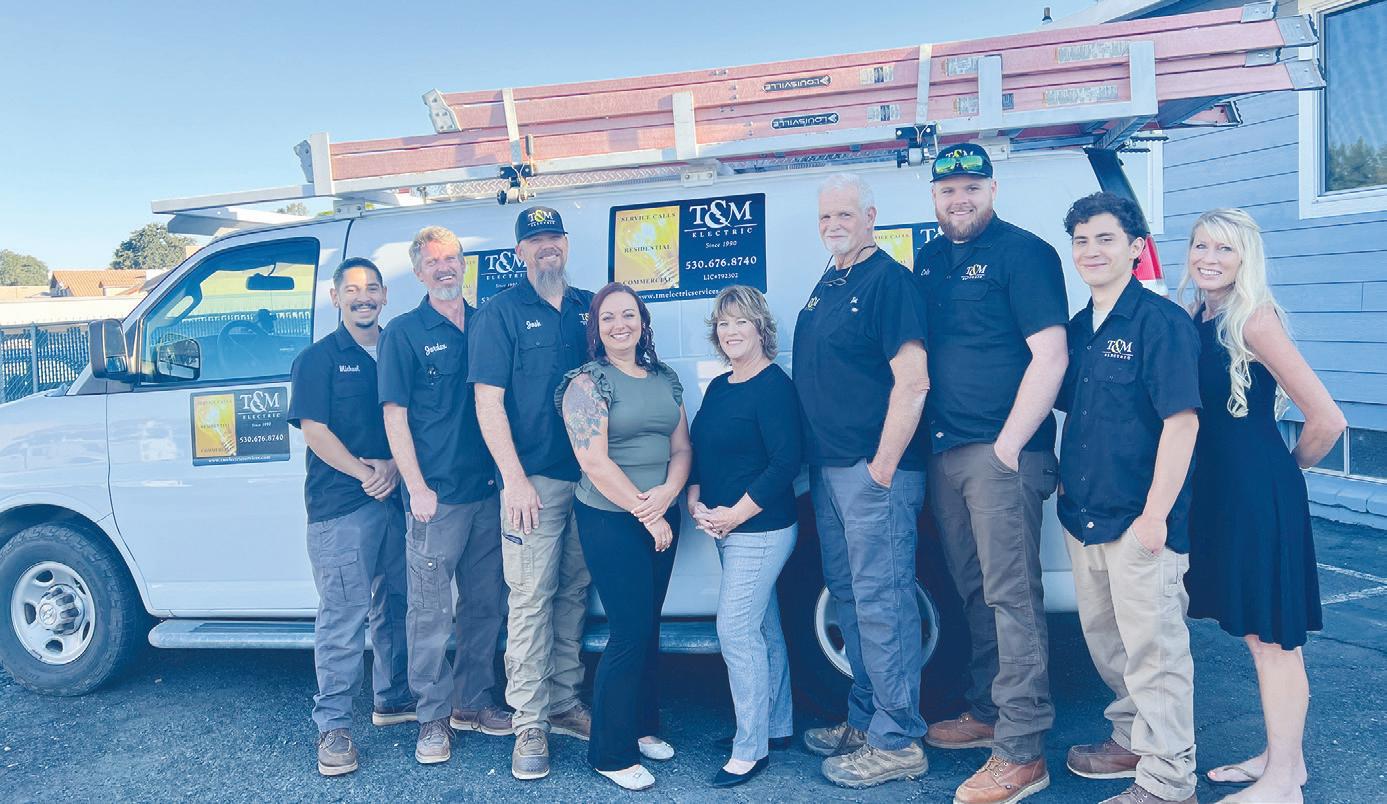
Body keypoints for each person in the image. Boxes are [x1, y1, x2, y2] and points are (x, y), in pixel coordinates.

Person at [913, 142, 1068, 804]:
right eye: (948, 190)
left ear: (993, 190)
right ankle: (987, 712)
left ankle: (1023, 752)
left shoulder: (1025, 254)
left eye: (972, 187)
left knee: (1012, 597)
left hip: (1000, 454)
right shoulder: (927, 262)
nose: (960, 198)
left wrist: (1008, 446)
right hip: (946, 452)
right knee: (973, 590)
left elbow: (1051, 354)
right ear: (934, 197)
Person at [1180, 208, 1345, 804]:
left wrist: (1284, 473)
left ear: (1246, 258)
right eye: (1202, 246)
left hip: (1257, 493)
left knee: (1274, 640)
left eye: (1225, 249)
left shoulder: (1254, 318)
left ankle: (1282, 786)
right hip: (1225, 494)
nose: (1210, 258)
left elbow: (1328, 419)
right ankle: (1284, 762)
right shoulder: (1198, 314)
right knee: (1258, 635)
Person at [1055, 193, 1201, 804]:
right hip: (1085, 518)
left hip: (1140, 523)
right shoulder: (1079, 328)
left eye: (1105, 239)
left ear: (1136, 247)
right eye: (1082, 241)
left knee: (1155, 654)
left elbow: (1182, 423)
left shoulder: (1160, 323)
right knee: (1109, 644)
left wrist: (1155, 517)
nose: (1092, 251)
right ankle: (1131, 740)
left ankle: (1169, 781)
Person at [792, 173, 932, 789]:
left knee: (882, 601)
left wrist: (882, 468)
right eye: (826, 217)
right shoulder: (831, 279)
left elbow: (913, 380)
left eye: (845, 214)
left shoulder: (889, 282)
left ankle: (898, 741)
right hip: (830, 471)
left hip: (872, 472)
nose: (834, 225)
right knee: (849, 596)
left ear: (871, 216)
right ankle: (866, 718)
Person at [471, 207, 595, 781]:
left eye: (554, 237)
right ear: (519, 252)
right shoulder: (500, 313)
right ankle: (529, 722)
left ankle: (564, 701)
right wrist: (514, 479)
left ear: (565, 244)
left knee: (573, 591)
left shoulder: (588, 308)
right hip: (533, 484)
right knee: (530, 598)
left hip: (590, 480)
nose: (547, 247)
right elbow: (488, 402)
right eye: (535, 239)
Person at [378, 226, 509, 766]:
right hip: (437, 498)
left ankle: (473, 701)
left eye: (451, 258)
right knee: (430, 613)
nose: (444, 267)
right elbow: (395, 416)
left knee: (485, 605)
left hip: (488, 493)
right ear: (418, 272)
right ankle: (431, 717)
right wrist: (416, 487)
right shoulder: (404, 333)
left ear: (464, 264)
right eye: (433, 261)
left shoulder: (486, 323)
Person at [556, 282, 690, 792]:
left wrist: (668, 495)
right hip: (611, 518)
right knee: (629, 630)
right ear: (596, 327)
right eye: (608, 317)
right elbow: (593, 461)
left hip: (661, 512)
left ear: (642, 322)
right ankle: (610, 753)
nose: (620, 325)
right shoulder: (586, 384)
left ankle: (642, 725)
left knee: (648, 624)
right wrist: (647, 513)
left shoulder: (664, 377)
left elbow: (682, 448)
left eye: (628, 315)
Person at [287, 258, 411, 777]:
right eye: (353, 289)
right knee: (343, 615)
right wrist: (367, 473)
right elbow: (315, 431)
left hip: (399, 500)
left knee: (398, 604)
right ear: (335, 297)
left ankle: (393, 697)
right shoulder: (317, 359)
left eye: (373, 288)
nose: (364, 297)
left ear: (385, 296)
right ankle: (334, 726)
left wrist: (395, 469)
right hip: (342, 506)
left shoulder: (398, 349)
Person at [687, 285, 803, 788]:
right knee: (762, 627)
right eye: (723, 323)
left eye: (741, 322)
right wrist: (694, 500)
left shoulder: (774, 386)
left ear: (761, 328)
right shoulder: (720, 386)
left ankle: (750, 749)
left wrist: (734, 515)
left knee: (735, 631)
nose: (731, 331)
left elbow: (786, 462)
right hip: (724, 527)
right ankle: (776, 726)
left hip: (761, 528)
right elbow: (700, 449)